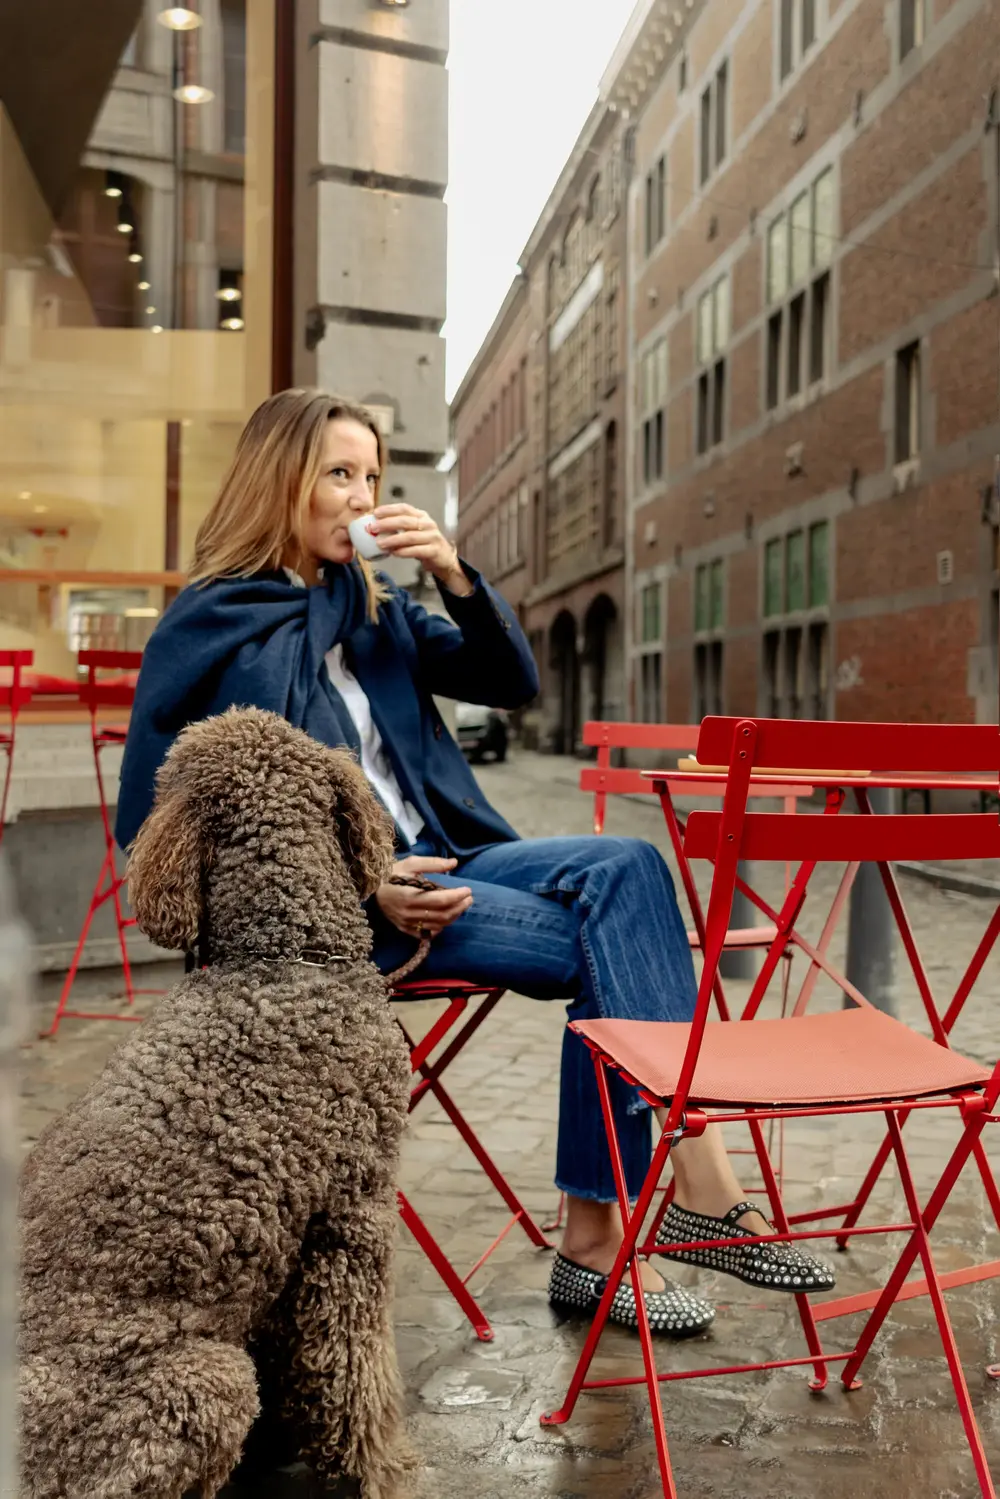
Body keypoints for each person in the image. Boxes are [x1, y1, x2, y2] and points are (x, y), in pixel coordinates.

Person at [116, 389, 833, 1336]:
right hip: (338, 912)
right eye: (340, 473)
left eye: (373, 475)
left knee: (628, 865)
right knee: (608, 940)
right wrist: (358, 881)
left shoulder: (375, 605)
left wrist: (452, 572)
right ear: (279, 478)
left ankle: (652, 1207)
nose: (362, 494)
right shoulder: (210, 620)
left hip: (452, 860)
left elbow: (510, 683)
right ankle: (619, 1229)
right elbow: (161, 814)